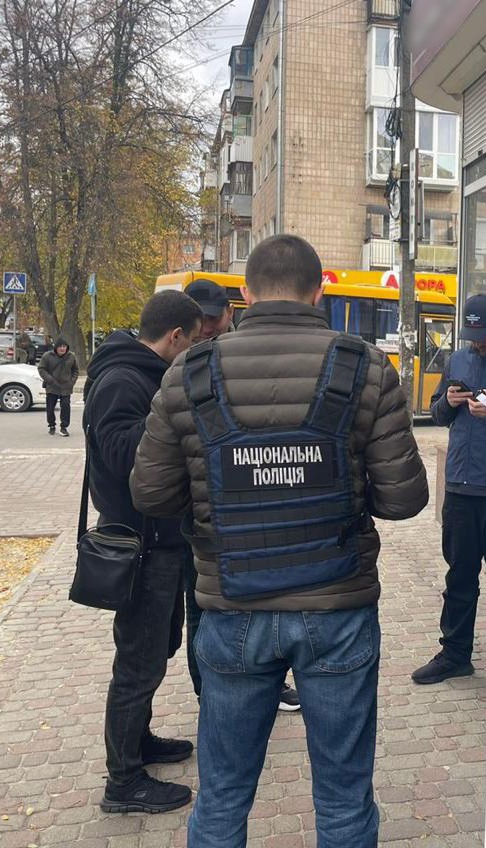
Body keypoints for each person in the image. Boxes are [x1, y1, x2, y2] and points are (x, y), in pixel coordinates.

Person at [130, 235, 428, 848]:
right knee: (344, 799)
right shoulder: (367, 367)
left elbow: (151, 495)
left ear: (245, 294)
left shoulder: (189, 372)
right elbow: (403, 501)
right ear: (319, 293)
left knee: (221, 797)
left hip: (232, 607)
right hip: (337, 608)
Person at [83, 292, 203, 814]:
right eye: (193, 340)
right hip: (140, 546)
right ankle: (124, 782)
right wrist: (177, 415)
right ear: (174, 337)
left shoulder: (145, 375)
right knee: (137, 662)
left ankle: (140, 742)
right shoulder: (122, 379)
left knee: (156, 651)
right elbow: (121, 455)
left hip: (161, 541)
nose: (193, 350)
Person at [179, 278, 302, 713]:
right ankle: (208, 691)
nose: (207, 327)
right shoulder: (181, 366)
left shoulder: (243, 354)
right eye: (200, 320)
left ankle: (271, 682)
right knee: (206, 607)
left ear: (233, 310)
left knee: (272, 605)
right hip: (209, 523)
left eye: (213, 319)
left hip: (267, 509)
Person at [412, 294, 486, 685]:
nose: (477, 342)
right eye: (472, 335)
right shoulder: (458, 360)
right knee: (459, 578)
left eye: (485, 335)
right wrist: (448, 402)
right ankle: (454, 655)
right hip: (461, 490)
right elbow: (436, 414)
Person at [38, 338, 79, 436]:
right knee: (50, 407)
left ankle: (64, 427)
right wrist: (50, 380)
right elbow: (41, 369)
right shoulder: (47, 356)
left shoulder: (71, 356)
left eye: (64, 346)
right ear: (56, 348)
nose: (62, 348)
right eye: (60, 346)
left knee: (65, 406)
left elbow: (75, 370)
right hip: (52, 386)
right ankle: (51, 425)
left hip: (66, 386)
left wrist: (72, 382)